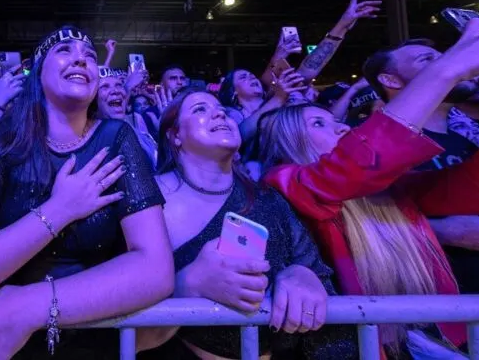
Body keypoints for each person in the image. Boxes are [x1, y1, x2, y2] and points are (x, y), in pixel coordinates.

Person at [0, 26, 174, 360]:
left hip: (88, 342)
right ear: (38, 72)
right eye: (65, 50)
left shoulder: (117, 138)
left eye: (90, 56)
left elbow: (155, 269)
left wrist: (32, 305)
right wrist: (59, 210)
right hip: (1, 348)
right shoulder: (2, 142)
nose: (81, 60)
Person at [259, 19, 479, 358]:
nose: (342, 128)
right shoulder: (284, 182)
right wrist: (450, 67)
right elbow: (350, 169)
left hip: (438, 339)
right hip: (366, 346)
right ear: (289, 142)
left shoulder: (395, 190)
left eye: (336, 121)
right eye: (318, 123)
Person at [138, 89, 357, 360]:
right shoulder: (144, 202)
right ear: (175, 136)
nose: (220, 112)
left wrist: (301, 274)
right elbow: (115, 328)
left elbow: (317, 272)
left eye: (220, 108)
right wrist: (187, 285)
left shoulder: (268, 200)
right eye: (199, 109)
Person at [364, 37, 479, 353]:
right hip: (446, 319)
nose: (449, 63)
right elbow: (365, 215)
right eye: (428, 60)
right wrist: (437, 230)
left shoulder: (478, 136)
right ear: (391, 80)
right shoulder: (377, 148)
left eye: (445, 55)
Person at [217, 68, 306, 143]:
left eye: (253, 76)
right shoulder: (230, 113)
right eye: (243, 77)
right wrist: (279, 97)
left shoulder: (283, 101)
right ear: (233, 91)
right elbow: (240, 135)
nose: (252, 77)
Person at [96, 67, 157, 166]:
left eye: (119, 85)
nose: (116, 90)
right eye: (104, 87)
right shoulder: (94, 142)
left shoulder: (136, 127)